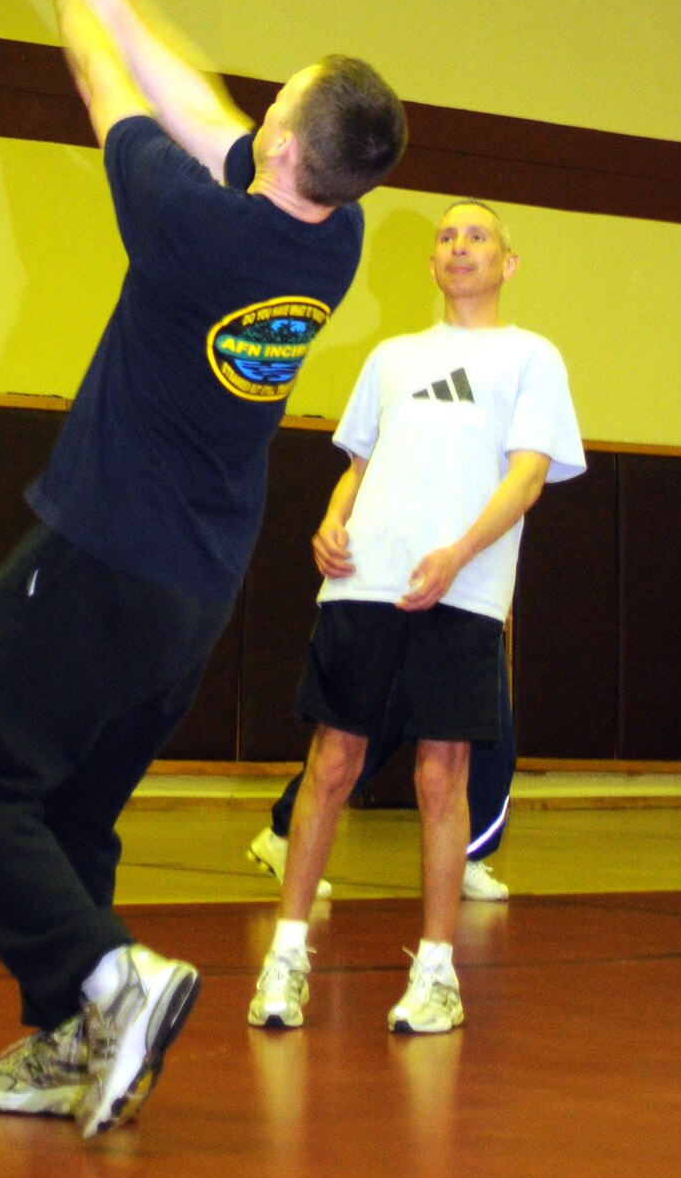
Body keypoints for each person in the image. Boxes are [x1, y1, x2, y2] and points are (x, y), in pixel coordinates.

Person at [0, 0, 406, 1139]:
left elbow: (104, 90)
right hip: (194, 591)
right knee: (69, 808)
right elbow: (207, 116)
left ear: (285, 147)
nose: (256, 113)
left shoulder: (188, 228)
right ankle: (72, 1039)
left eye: (273, 108)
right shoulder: (327, 233)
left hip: (100, 552)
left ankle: (109, 978)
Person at [248, 200, 584, 1036]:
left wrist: (459, 554)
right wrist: (331, 523)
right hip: (363, 585)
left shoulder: (531, 358)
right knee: (331, 765)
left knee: (441, 777)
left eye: (476, 237)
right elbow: (358, 467)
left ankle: (436, 973)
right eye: (445, 237)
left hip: (459, 592)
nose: (458, 247)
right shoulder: (390, 359)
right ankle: (285, 960)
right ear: (432, 263)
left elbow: (527, 479)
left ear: (507, 263)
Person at [246, 673, 515, 903]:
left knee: (485, 712)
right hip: (403, 613)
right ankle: (288, 835)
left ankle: (467, 853)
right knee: (379, 722)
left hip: (469, 614)